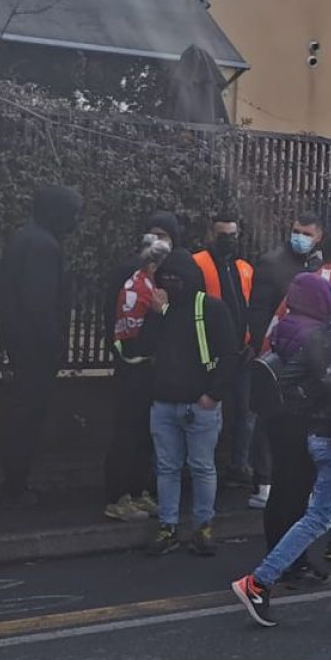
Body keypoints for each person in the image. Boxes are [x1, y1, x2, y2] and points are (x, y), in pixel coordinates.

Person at [231, 268, 331, 626]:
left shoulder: (322, 332)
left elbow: (288, 380)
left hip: (318, 433)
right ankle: (258, 583)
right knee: (319, 517)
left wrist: (315, 414)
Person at [142, 251, 241, 557]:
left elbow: (230, 354)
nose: (171, 283)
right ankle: (168, 526)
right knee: (167, 468)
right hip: (164, 403)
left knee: (201, 467)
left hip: (199, 405)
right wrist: (155, 314)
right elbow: (144, 346)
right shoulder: (161, 310)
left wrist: (213, 395)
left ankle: (203, 527)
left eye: (177, 278)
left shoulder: (211, 308)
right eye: (166, 278)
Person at [0, 184, 82, 505]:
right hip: (35, 348)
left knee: (22, 411)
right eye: (73, 213)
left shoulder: (24, 238)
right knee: (28, 415)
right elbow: (39, 304)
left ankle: (15, 482)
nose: (76, 221)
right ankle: (15, 485)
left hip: (19, 342)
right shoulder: (44, 246)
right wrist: (55, 342)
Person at [252, 270, 331, 586]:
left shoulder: (284, 325)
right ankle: (292, 561)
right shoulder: (314, 334)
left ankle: (277, 553)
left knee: (281, 489)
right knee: (299, 493)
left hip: (277, 415)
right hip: (302, 417)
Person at [104, 231, 168, 523]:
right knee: (128, 433)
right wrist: (159, 314)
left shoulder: (146, 284)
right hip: (134, 369)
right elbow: (138, 337)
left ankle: (137, 489)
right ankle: (118, 497)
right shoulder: (138, 288)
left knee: (144, 433)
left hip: (145, 370)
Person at [193, 215, 259, 501]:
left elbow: (250, 306)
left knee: (245, 412)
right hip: (212, 352)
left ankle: (238, 465)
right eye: (223, 236)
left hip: (241, 352)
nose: (229, 241)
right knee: (210, 411)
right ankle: (205, 467)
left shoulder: (244, 268)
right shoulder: (198, 263)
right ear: (211, 235)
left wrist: (252, 341)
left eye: (233, 235)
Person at [251, 213, 322, 347]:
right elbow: (259, 311)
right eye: (296, 232)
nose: (300, 237)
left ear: (318, 238)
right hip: (277, 341)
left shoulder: (318, 266)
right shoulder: (271, 264)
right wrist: (261, 344)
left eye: (307, 234)